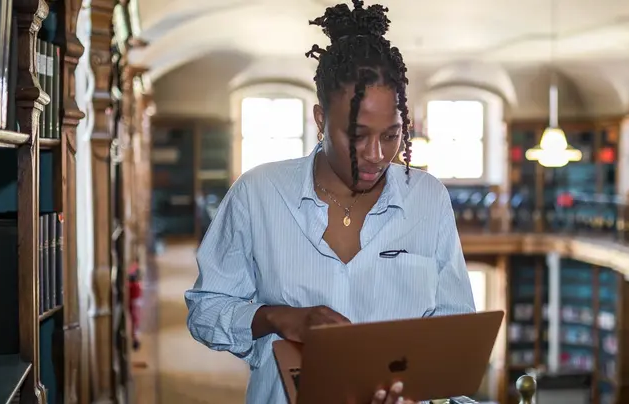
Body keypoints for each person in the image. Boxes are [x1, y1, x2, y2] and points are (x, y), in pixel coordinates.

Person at [184, 1, 476, 403]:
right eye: (357, 135)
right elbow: (204, 311)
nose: (376, 154)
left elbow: (454, 328)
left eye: (391, 135)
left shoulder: (428, 198)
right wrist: (276, 317)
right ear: (320, 121)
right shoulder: (258, 193)